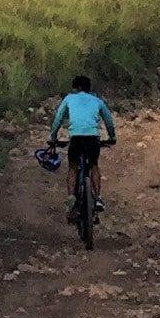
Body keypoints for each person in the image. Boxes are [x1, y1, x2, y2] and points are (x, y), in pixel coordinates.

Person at [49, 72, 114, 240]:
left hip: (76, 138)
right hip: (92, 138)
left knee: (73, 168)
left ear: (75, 87)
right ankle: (98, 198)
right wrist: (112, 137)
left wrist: (53, 137)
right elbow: (108, 120)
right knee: (93, 165)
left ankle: (71, 197)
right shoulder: (97, 101)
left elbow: (58, 119)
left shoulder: (69, 99)